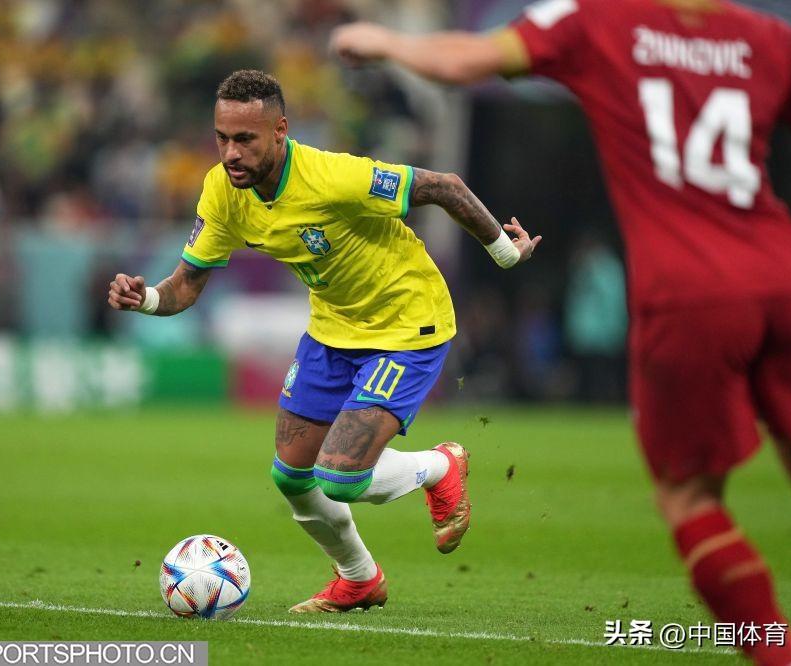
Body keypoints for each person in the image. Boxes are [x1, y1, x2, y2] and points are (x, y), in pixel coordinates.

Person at [329, 0, 791, 662]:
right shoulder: (769, 36)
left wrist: (385, 41)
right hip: (788, 275)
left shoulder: (601, 22)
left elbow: (466, 60)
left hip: (690, 290)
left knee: (690, 496)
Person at [108, 69, 541, 613]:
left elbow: (445, 187)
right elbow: (186, 285)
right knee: (292, 475)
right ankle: (359, 579)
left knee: (339, 476)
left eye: (245, 139)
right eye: (222, 138)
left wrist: (504, 252)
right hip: (332, 329)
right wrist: (146, 297)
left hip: (407, 324)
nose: (231, 153)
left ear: (280, 130)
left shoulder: (334, 177)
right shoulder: (222, 190)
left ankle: (439, 466)